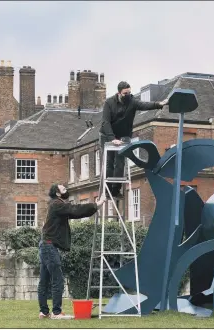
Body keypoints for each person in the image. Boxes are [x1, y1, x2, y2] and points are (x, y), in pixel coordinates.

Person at [38, 184, 106, 319]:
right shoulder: (57, 204)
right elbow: (75, 209)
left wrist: (93, 208)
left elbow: (72, 213)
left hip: (45, 246)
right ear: (58, 194)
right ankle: (56, 313)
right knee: (57, 280)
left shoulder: (56, 205)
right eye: (63, 189)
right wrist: (96, 205)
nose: (66, 190)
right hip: (49, 246)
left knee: (44, 280)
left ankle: (44, 312)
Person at [99, 81, 168, 198]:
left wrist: (159, 104)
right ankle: (108, 190)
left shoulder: (132, 101)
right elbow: (105, 122)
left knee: (120, 161)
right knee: (109, 162)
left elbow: (144, 105)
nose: (128, 95)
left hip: (123, 134)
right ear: (119, 93)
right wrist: (112, 138)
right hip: (107, 134)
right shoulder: (109, 103)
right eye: (125, 93)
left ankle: (116, 189)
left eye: (130, 92)